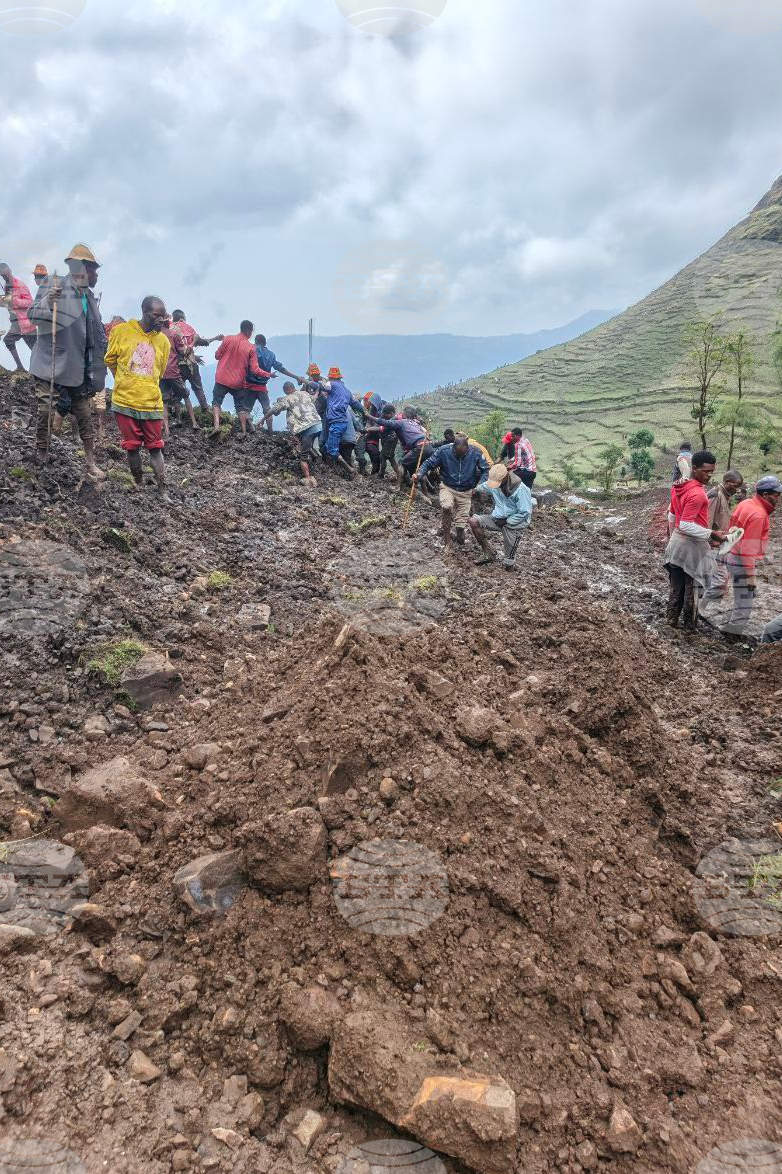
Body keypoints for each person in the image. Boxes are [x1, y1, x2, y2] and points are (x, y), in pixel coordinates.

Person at [27, 244, 106, 477]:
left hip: (77, 367)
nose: (96, 275)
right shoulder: (53, 286)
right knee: (44, 409)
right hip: (49, 362)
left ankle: (90, 462)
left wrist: (96, 370)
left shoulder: (89, 298)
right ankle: (42, 452)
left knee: (83, 415)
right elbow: (32, 316)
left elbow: (94, 336)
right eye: (93, 270)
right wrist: (46, 303)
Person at [105, 296, 171, 498]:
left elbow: (159, 371)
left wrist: (145, 385)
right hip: (125, 401)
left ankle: (162, 489)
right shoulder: (122, 332)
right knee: (132, 447)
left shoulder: (163, 341)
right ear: (144, 312)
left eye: (163, 316)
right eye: (156, 316)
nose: (161, 320)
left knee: (155, 447)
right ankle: (139, 485)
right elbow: (111, 360)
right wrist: (124, 381)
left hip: (151, 402)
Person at [663, 450, 724, 632]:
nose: (709, 475)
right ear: (694, 468)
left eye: (712, 471)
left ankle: (670, 622)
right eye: (706, 471)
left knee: (676, 588)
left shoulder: (678, 487)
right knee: (692, 590)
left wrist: (673, 539)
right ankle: (689, 628)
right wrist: (712, 534)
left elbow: (672, 516)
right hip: (691, 548)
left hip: (676, 546)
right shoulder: (697, 494)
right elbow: (686, 525)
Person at [720, 475, 782, 637]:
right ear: (765, 494)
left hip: (733, 555)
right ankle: (731, 636)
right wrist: (751, 578)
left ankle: (730, 629)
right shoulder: (759, 515)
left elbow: (731, 527)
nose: (779, 498)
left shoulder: (746, 503)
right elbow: (748, 550)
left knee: (741, 598)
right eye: (777, 494)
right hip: (741, 560)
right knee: (744, 605)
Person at [416, 432, 490, 554]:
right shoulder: (443, 451)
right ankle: (447, 543)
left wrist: (479, 487)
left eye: (464, 454)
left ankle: (456, 534)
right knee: (446, 507)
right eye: (457, 454)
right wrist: (419, 474)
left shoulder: (476, 452)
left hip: (466, 491)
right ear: (453, 449)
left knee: (460, 532)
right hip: (448, 486)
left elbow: (485, 470)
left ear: (468, 449)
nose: (461, 457)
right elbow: (428, 463)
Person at [469, 464, 533, 569]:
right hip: (497, 518)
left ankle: (509, 564)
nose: (495, 485)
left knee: (508, 564)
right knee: (473, 521)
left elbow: (524, 512)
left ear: (505, 478)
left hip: (515, 522)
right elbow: (484, 486)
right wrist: (474, 490)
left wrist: (507, 521)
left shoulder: (520, 489)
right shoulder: (493, 484)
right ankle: (488, 552)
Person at [211, 321, 269, 438]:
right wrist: (268, 374)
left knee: (217, 402)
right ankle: (243, 431)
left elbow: (217, 355)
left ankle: (216, 426)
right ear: (249, 331)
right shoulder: (251, 347)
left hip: (222, 378)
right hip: (238, 381)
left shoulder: (227, 339)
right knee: (240, 407)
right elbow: (255, 369)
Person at [306, 367, 365, 477]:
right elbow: (357, 409)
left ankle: (350, 472)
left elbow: (317, 385)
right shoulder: (347, 393)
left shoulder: (332, 386)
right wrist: (366, 414)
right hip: (347, 432)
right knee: (335, 451)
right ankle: (346, 472)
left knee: (332, 451)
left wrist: (304, 381)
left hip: (340, 430)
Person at [699, 470, 744, 614]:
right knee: (719, 581)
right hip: (711, 545)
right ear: (727, 482)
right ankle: (701, 608)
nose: (737, 489)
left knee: (714, 581)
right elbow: (706, 523)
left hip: (719, 545)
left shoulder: (725, 496)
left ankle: (701, 609)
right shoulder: (715, 495)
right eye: (735, 485)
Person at [261, 381, 322, 485]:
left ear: (286, 390)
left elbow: (274, 410)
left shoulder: (288, 398)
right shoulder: (305, 393)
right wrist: (317, 391)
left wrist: (262, 420)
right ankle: (314, 457)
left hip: (307, 428)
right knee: (307, 446)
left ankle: (308, 479)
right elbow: (314, 397)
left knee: (303, 457)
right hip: (318, 425)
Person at [367, 405, 432, 492]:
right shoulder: (416, 423)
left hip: (420, 446)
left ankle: (397, 487)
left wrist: (370, 417)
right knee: (417, 469)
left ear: (405, 414)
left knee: (401, 463)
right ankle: (426, 491)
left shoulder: (402, 421)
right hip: (429, 446)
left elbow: (386, 423)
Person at [246, 334, 302, 434]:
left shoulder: (251, 350)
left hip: (250, 386)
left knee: (246, 409)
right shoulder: (271, 355)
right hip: (262, 387)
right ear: (265, 343)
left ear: (255, 341)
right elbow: (281, 369)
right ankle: (270, 432)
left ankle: (247, 430)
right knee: (267, 409)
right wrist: (296, 377)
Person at [170, 310, 222, 411]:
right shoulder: (188, 327)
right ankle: (205, 407)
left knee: (177, 388)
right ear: (183, 318)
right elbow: (202, 342)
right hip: (191, 363)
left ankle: (175, 412)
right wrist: (215, 338)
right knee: (197, 386)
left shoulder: (168, 328)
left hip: (175, 363)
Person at [161, 320, 197, 435]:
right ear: (167, 321)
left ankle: (166, 431)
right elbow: (183, 351)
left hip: (160, 372)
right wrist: (191, 347)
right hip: (173, 371)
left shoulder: (154, 334)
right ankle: (194, 423)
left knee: (164, 402)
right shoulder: (174, 335)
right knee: (185, 395)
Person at [0, 262, 36, 372]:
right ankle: (20, 367)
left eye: (6, 275)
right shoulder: (7, 287)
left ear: (9, 271)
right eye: (2, 276)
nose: (5, 277)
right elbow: (9, 305)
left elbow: (30, 302)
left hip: (26, 324)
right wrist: (2, 302)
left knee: (36, 350)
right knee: (8, 340)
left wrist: (13, 300)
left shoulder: (20, 284)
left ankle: (44, 372)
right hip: (16, 324)